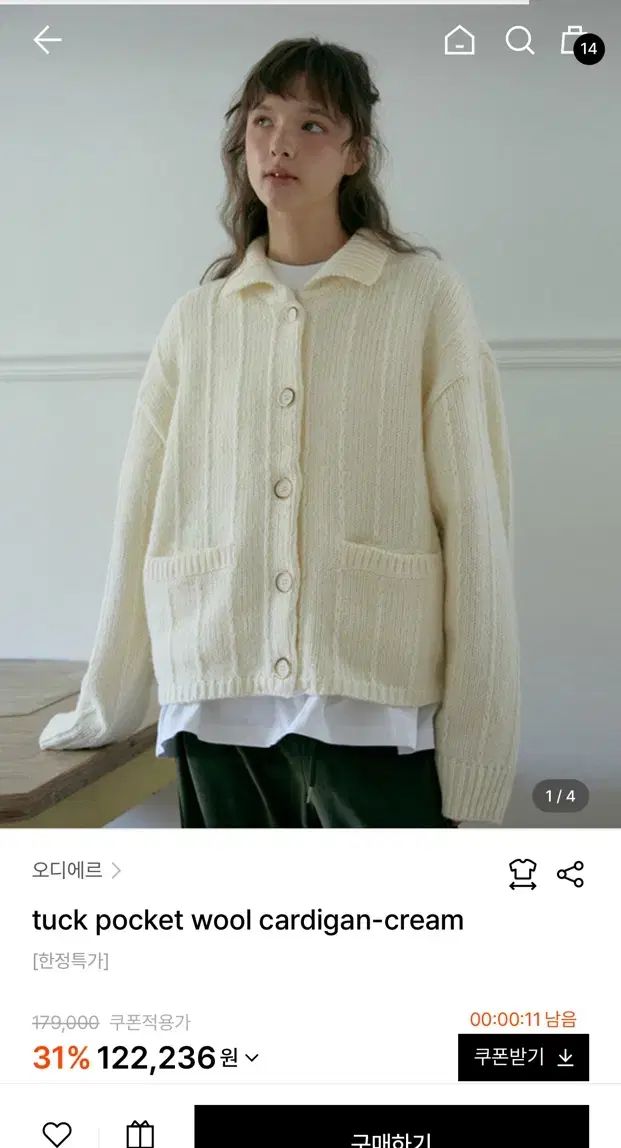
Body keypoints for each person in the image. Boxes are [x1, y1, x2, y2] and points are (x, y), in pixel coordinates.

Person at [39, 37, 520, 829]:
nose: (279, 143)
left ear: (355, 154)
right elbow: (140, 513)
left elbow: (474, 520)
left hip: (370, 701)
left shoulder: (422, 299)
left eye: (311, 125)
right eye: (262, 121)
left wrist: (477, 753)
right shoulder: (198, 318)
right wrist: (109, 701)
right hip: (216, 695)